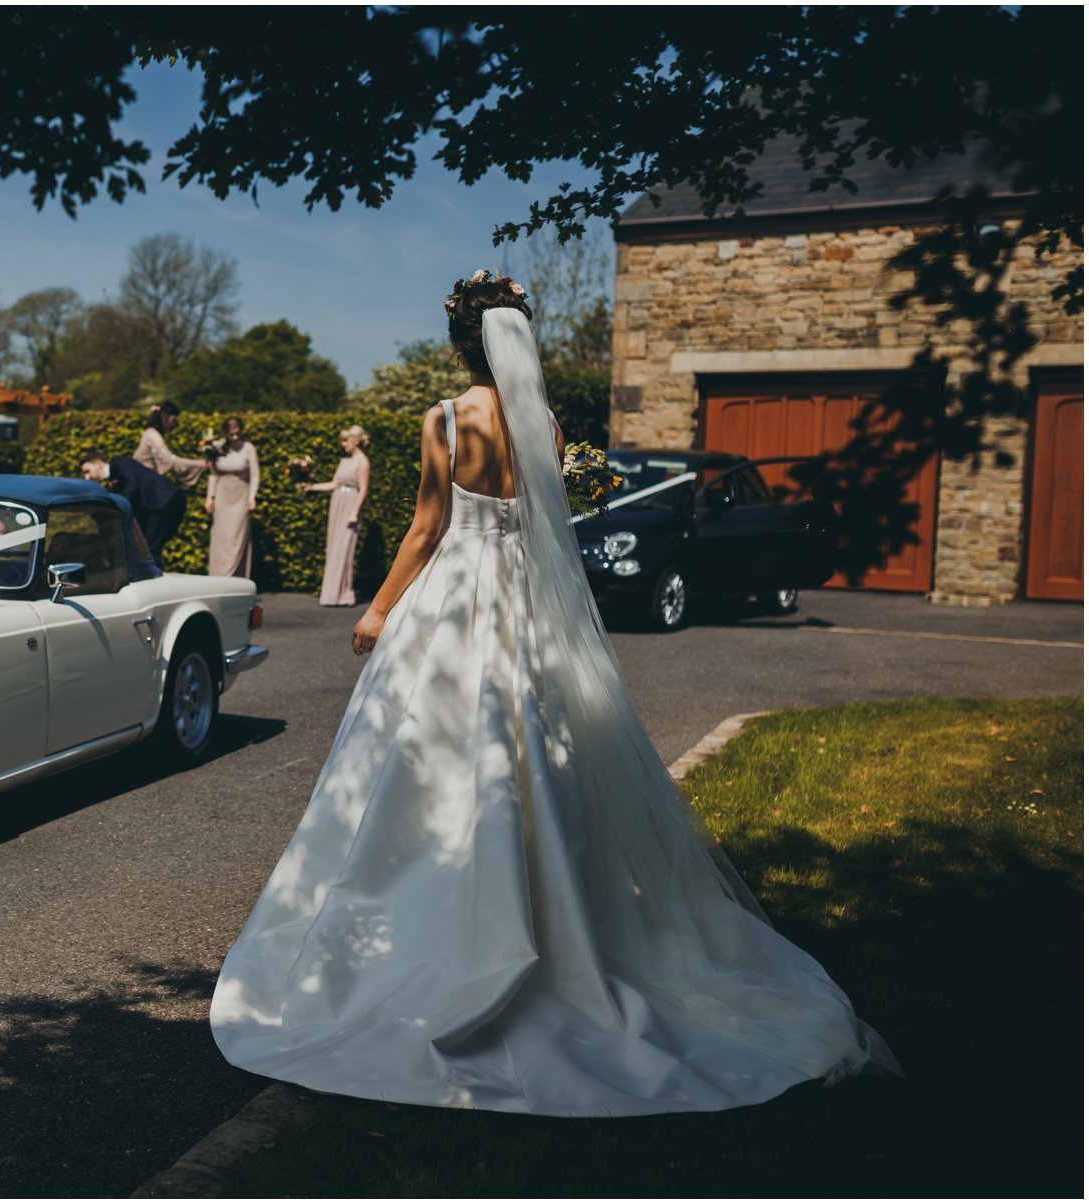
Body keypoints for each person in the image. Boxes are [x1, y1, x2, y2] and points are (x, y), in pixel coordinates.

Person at [210, 271, 899, 1116]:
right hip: (522, 597)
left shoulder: (446, 419)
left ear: (458, 341)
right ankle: (551, 913)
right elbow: (549, 524)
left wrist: (379, 607)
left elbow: (429, 527)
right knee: (531, 746)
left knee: (432, 750)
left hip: (458, 597)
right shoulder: (544, 423)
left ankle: (435, 914)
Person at [300, 426, 370, 605]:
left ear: (354, 441)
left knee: (345, 548)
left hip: (350, 505)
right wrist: (312, 487)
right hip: (337, 503)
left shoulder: (363, 462)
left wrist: (354, 511)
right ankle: (332, 595)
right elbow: (334, 484)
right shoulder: (344, 461)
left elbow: (363, 490)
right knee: (334, 547)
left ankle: (346, 594)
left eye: (346, 440)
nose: (343, 444)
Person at [80, 449, 182, 562]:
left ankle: (153, 577)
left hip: (163, 501)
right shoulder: (113, 480)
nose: (87, 477)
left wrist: (116, 507)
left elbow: (131, 486)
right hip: (156, 506)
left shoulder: (118, 462)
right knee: (148, 547)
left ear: (98, 463)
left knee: (149, 548)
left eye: (87, 471)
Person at [204, 416, 260, 578]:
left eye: (237, 433)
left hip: (240, 497)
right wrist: (210, 497)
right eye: (231, 434)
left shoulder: (248, 448)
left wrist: (252, 497)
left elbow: (255, 475)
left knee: (237, 538)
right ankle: (218, 577)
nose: (235, 438)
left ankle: (233, 577)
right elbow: (213, 474)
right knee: (222, 539)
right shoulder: (218, 447)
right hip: (222, 496)